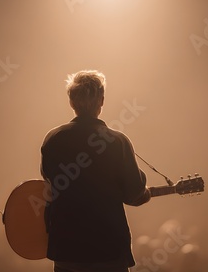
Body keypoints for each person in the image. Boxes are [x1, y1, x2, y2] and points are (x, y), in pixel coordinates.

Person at [40, 70, 151, 272]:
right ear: (102, 100)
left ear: (71, 102)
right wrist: (143, 188)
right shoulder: (117, 142)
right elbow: (134, 194)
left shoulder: (53, 139)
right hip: (108, 251)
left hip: (66, 250)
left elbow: (48, 183)